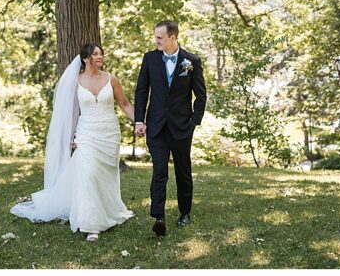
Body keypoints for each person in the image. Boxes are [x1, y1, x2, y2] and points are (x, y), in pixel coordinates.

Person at [11, 43, 135, 242]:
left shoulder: (112, 80)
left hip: (109, 133)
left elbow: (125, 104)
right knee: (88, 174)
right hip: (86, 133)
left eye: (101, 53)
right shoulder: (76, 82)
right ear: (86, 59)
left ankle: (108, 210)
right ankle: (91, 224)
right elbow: (72, 113)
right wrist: (70, 137)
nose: (100, 56)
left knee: (105, 175)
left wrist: (138, 122)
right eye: (95, 54)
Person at [133, 20, 207, 237]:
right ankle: (159, 217)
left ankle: (185, 212)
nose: (156, 41)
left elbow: (201, 95)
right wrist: (139, 120)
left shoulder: (190, 61)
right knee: (159, 171)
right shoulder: (150, 58)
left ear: (172, 37)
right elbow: (141, 91)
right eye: (156, 37)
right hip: (156, 126)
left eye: (160, 37)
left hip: (182, 127)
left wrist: (194, 122)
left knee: (183, 171)